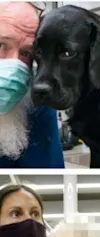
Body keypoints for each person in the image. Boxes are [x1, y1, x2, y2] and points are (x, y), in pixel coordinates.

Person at [0, 2, 64, 167]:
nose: (13, 66)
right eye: (1, 45)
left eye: (26, 53)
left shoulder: (37, 104)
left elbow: (48, 180)